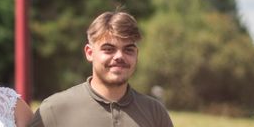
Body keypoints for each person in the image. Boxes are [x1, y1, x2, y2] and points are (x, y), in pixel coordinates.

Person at [30, 10, 173, 127]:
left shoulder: (155, 113)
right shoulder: (54, 110)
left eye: (128, 50)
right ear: (89, 53)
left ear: (137, 55)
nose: (119, 56)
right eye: (109, 49)